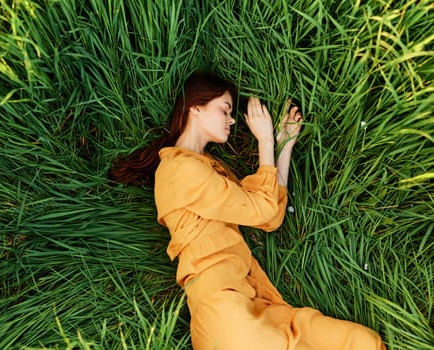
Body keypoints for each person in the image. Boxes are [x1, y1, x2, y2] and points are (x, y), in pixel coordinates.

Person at [110, 72, 385, 349]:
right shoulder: (179, 169)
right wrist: (264, 142)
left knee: (363, 342)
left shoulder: (209, 168)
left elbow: (270, 216)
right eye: (225, 110)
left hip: (255, 301)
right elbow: (262, 209)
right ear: (195, 107)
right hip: (223, 309)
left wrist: (282, 146)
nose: (231, 120)